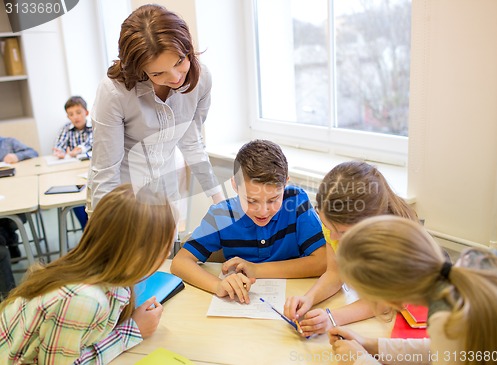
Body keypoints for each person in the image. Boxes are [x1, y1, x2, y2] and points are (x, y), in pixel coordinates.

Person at [0, 183, 176, 364]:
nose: (168, 253)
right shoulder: (83, 299)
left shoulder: (105, 271)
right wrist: (131, 331)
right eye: (165, 245)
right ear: (137, 252)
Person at [87, 4, 224, 216]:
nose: (176, 77)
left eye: (179, 61)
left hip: (165, 192)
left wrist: (218, 199)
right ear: (138, 69)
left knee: (169, 248)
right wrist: (107, 230)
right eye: (158, 73)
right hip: (122, 195)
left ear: (187, 47)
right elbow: (106, 173)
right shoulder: (114, 93)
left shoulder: (202, 78)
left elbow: (190, 140)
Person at [328, 216, 497, 365]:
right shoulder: (476, 261)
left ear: (389, 300)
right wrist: (372, 345)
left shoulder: (446, 319)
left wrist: (359, 360)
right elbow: (440, 349)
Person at [171, 140, 327, 303]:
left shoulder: (296, 201)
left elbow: (322, 262)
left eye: (273, 199)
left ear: (285, 184)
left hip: (294, 299)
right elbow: (180, 262)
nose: (263, 211)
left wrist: (257, 269)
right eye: (252, 201)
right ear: (235, 185)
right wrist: (219, 286)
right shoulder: (221, 215)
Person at [284, 161, 419, 336]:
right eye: (327, 226)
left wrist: (332, 318)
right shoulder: (336, 224)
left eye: (341, 232)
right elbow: (335, 273)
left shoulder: (395, 238)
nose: (332, 238)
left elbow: (385, 300)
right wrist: (309, 298)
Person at [53, 96, 93, 229]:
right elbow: (59, 145)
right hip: (72, 173)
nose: (75, 117)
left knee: (90, 196)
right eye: (71, 114)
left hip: (90, 170)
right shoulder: (66, 129)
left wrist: (79, 149)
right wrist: (60, 152)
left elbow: (91, 143)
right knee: (75, 198)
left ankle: (92, 228)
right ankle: (86, 229)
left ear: (86, 113)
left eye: (78, 112)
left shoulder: (94, 125)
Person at [0, 136, 38, 259]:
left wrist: (17, 157)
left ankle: (10, 240)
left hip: (14, 194)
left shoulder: (8, 142)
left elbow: (33, 153)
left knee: (12, 220)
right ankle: (10, 241)